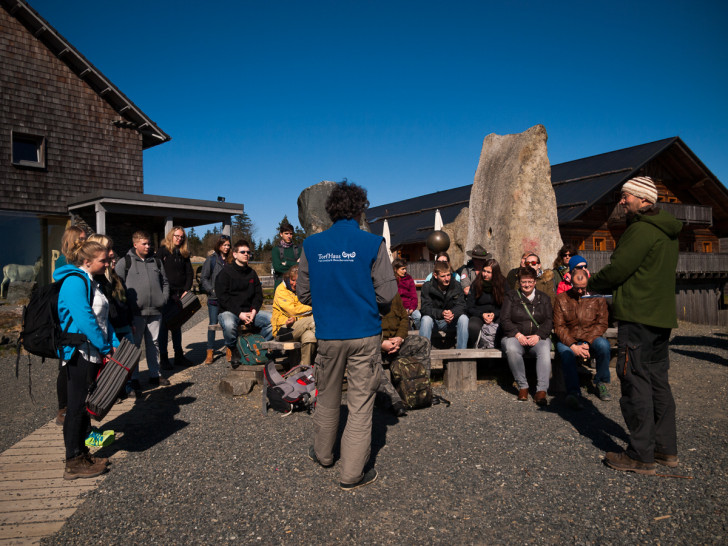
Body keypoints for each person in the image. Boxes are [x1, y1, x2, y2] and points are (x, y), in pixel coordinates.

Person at [297, 181, 397, 490]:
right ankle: (352, 474)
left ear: (330, 211)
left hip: (329, 335)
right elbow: (388, 293)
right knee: (360, 404)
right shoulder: (373, 243)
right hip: (364, 333)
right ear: (359, 209)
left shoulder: (311, 245)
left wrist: (329, 303)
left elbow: (303, 292)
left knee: (326, 397)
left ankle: (324, 454)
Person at [588, 175, 682, 475]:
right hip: (660, 317)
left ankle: (641, 455)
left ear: (643, 199)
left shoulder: (642, 230)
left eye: (626, 195)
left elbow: (619, 269)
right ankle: (665, 449)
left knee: (634, 382)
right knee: (657, 382)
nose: (622, 199)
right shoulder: (668, 231)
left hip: (638, 317)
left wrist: (591, 283)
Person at [55, 240, 118, 479]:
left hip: (91, 352)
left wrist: (112, 345)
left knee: (83, 406)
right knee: (76, 407)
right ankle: (73, 461)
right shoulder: (74, 281)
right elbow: (84, 318)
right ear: (87, 261)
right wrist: (104, 347)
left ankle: (82, 453)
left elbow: (102, 320)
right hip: (78, 353)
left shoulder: (92, 282)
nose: (107, 263)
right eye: (103, 260)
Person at [115, 230, 170, 393]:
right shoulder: (124, 262)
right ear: (135, 244)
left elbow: (165, 282)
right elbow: (118, 288)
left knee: (154, 343)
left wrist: (163, 299)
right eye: (144, 244)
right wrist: (126, 309)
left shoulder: (157, 262)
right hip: (135, 313)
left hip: (155, 311)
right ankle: (133, 378)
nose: (148, 246)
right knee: (135, 346)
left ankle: (155, 374)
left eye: (149, 243)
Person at [553, 268, 611, 410]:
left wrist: (587, 342)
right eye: (577, 288)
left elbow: (602, 323)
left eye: (583, 288)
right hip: (569, 338)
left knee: (604, 346)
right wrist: (573, 345)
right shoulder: (561, 299)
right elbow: (559, 326)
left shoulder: (598, 297)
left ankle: (600, 382)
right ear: (571, 283)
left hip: (591, 336)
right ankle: (573, 392)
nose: (580, 291)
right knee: (567, 354)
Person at [216, 239, 273, 368]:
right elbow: (223, 298)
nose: (246, 254)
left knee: (272, 319)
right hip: (229, 311)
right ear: (235, 254)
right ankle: (235, 349)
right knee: (229, 324)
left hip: (249, 312)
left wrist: (253, 311)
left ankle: (255, 344)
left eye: (248, 252)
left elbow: (258, 296)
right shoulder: (225, 273)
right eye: (243, 252)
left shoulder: (252, 273)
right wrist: (239, 313)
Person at [501, 266, 553, 406]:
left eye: (530, 281)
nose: (527, 285)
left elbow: (549, 320)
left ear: (535, 281)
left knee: (544, 350)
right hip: (516, 336)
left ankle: (541, 390)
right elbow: (504, 319)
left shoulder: (544, 298)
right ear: (519, 282)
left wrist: (539, 335)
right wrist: (517, 335)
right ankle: (523, 386)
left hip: (537, 337)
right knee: (511, 348)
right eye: (524, 282)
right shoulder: (511, 296)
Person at [376, 293, 431, 417]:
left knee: (423, 343)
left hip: (397, 343)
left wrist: (400, 337)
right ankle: (395, 402)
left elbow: (404, 318)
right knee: (369, 360)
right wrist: (381, 343)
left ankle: (422, 390)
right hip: (377, 346)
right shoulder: (365, 296)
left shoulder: (393, 295)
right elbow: (363, 327)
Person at [53, 225, 86, 426]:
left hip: (72, 320)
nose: (84, 241)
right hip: (66, 321)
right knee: (66, 367)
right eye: (81, 238)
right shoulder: (65, 263)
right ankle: (63, 408)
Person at [156, 226, 194, 368]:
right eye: (177, 236)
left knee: (177, 326)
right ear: (171, 236)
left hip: (180, 295)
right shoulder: (162, 251)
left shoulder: (184, 253)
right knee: (164, 328)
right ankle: (164, 358)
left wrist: (186, 290)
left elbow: (189, 273)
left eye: (181, 237)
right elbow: (157, 273)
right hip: (166, 295)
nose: (179, 239)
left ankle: (179, 356)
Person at [271, 265, 316, 366]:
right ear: (288, 278)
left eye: (298, 281)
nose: (295, 284)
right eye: (292, 280)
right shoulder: (281, 290)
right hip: (283, 330)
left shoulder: (304, 291)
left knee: (310, 338)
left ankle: (303, 371)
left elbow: (299, 314)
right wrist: (314, 308)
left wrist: (297, 318)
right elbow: (293, 311)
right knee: (314, 320)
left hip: (301, 327)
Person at [419, 261, 469, 349]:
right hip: (434, 321)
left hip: (451, 321)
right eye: (443, 276)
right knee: (426, 319)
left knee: (464, 319)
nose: (447, 279)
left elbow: (461, 305)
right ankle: (423, 352)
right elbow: (425, 308)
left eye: (448, 275)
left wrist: (452, 313)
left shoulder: (456, 285)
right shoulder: (427, 287)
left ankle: (462, 353)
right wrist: (441, 313)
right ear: (435, 275)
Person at [200, 237, 232, 364]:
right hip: (214, 299)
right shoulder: (212, 260)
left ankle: (230, 348)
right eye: (224, 245)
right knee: (212, 325)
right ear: (219, 246)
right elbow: (204, 278)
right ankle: (210, 352)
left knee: (228, 324)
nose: (227, 247)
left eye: (228, 245)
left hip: (228, 299)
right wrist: (212, 291)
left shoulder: (231, 261)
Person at [465, 258, 506, 348]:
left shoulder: (503, 284)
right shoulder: (476, 284)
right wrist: (482, 314)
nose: (485, 274)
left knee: (503, 325)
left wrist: (494, 314)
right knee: (473, 326)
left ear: (494, 273)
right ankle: (479, 346)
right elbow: (469, 307)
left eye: (488, 272)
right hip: (479, 315)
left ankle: (498, 347)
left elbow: (506, 305)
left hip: (497, 315)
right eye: (484, 271)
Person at [392, 258, 420, 329]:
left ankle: (418, 334)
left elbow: (414, 297)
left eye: (405, 269)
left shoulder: (409, 279)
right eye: (403, 269)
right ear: (395, 269)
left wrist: (411, 308)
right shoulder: (391, 280)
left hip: (409, 308)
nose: (405, 271)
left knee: (418, 316)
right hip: (396, 308)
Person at [271, 222, 299, 289]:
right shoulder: (276, 250)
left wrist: (286, 263)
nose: (289, 236)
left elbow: (301, 266)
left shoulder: (298, 250)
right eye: (286, 233)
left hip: (295, 286)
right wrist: (295, 265)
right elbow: (277, 268)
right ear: (281, 234)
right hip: (280, 285)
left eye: (291, 234)